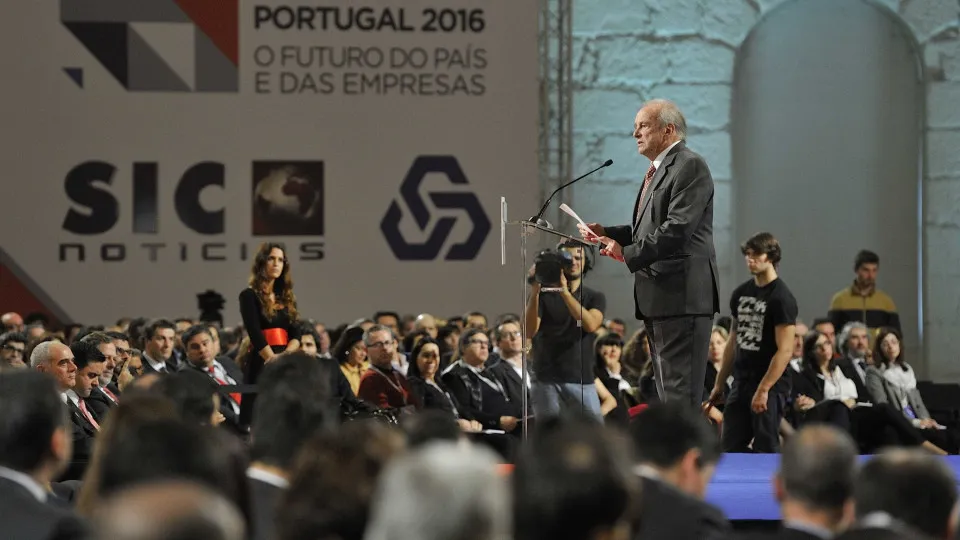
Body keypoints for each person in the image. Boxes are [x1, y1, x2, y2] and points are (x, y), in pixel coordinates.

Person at [579, 98, 720, 407]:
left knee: (680, 396)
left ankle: (689, 455)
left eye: (642, 126)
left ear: (668, 130)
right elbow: (649, 230)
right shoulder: (658, 171)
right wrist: (607, 234)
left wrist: (625, 253)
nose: (635, 134)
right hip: (660, 296)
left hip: (682, 296)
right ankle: (678, 455)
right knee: (669, 396)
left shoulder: (689, 164)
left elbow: (678, 229)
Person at [709, 232, 797, 453]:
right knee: (730, 445)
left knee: (766, 445)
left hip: (770, 384)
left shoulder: (781, 298)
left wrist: (764, 389)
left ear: (771, 257)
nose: (750, 258)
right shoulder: (741, 293)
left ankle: (770, 487)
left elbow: (785, 350)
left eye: (756, 254)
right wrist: (720, 383)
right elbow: (732, 341)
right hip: (742, 380)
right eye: (747, 254)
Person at [524, 239, 606, 421]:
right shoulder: (543, 296)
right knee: (550, 440)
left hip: (581, 379)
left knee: (593, 437)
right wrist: (535, 291)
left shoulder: (594, 297)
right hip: (545, 379)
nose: (574, 262)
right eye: (568, 258)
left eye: (579, 257)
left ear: (586, 263)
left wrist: (564, 292)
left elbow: (591, 324)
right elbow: (529, 332)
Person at [239, 242, 302, 425]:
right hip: (262, 359)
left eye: (280, 260)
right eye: (271, 259)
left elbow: (296, 333)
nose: (276, 264)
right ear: (261, 263)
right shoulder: (249, 295)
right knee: (259, 417)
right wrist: (272, 359)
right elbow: (254, 332)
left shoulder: (288, 297)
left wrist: (286, 356)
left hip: (286, 360)